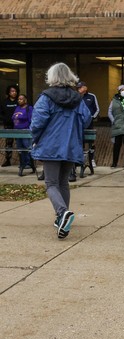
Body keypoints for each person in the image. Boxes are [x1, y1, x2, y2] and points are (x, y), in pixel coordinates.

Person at [30, 62, 92, 239]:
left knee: (51, 183)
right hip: (71, 145)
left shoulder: (46, 97)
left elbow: (37, 122)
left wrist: (35, 139)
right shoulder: (77, 98)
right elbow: (86, 119)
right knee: (63, 182)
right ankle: (62, 220)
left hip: (51, 145)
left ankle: (62, 213)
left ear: (52, 76)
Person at [70, 81, 100, 181]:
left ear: (85, 87)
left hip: (85, 125)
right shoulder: (75, 97)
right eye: (78, 88)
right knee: (77, 145)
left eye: (81, 87)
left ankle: (91, 159)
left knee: (88, 144)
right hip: (75, 127)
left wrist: (91, 118)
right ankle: (75, 166)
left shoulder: (91, 96)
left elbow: (95, 110)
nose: (79, 89)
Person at [12, 94, 35, 176]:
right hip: (17, 132)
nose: (19, 100)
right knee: (20, 148)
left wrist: (29, 129)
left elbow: (31, 120)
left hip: (25, 132)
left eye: (21, 99)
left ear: (25, 100)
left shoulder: (29, 108)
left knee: (27, 147)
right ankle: (22, 162)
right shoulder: (17, 108)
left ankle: (29, 163)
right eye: (18, 99)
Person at [1, 84, 19, 167]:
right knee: (8, 143)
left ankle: (23, 160)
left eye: (15, 91)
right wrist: (5, 119)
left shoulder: (19, 101)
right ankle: (7, 160)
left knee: (20, 143)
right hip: (8, 125)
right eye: (12, 91)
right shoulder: (5, 102)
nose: (14, 93)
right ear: (9, 92)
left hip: (19, 125)